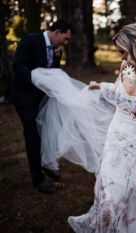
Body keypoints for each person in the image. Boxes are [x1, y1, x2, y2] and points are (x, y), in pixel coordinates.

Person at [66, 21, 136, 233]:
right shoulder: (125, 68)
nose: (122, 57)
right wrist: (101, 86)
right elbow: (119, 95)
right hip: (116, 138)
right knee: (110, 193)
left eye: (123, 52)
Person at [10, 19, 72, 193]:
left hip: (42, 98)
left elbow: (52, 71)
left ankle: (47, 163)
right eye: (65, 38)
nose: (65, 43)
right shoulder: (30, 40)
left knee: (49, 130)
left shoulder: (56, 49)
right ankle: (38, 180)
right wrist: (37, 81)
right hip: (25, 97)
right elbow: (18, 65)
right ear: (57, 32)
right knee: (33, 136)